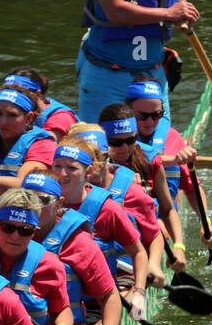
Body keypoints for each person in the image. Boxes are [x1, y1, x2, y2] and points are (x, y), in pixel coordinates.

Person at [51, 137, 150, 322]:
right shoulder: (42, 204)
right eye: (57, 166)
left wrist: (139, 293)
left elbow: (138, 252)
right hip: (53, 305)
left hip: (97, 302)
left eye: (71, 168)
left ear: (88, 171)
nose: (62, 174)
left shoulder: (108, 209)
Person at [30, 181, 125, 325]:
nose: (35, 206)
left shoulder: (79, 242)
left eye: (43, 200)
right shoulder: (4, 236)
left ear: (58, 204)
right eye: (28, 199)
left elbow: (109, 295)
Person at [70, 122, 168, 289]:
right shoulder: (64, 192)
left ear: (108, 157)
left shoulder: (132, 191)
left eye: (100, 157)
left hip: (122, 277)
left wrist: (154, 264)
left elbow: (153, 234)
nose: (95, 166)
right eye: (86, 160)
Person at [126, 80, 212, 250]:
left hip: (164, 219)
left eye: (156, 115)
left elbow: (192, 188)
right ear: (129, 111)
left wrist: (206, 221)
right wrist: (175, 159)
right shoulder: (117, 140)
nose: (149, 122)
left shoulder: (172, 138)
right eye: (142, 116)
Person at [100, 105, 188, 274]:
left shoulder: (150, 160)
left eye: (131, 140)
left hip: (143, 236)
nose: (125, 148)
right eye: (116, 143)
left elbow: (168, 209)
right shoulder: (92, 164)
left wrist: (178, 246)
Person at [0, 187, 76, 325]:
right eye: (7, 227)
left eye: (25, 230)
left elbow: (61, 309)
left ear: (35, 231)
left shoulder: (50, 265)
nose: (15, 236)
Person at [0, 86, 57, 217]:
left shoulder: (43, 147)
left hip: (24, 222)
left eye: (12, 115)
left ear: (29, 118)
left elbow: (23, 187)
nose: (3, 122)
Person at [2, 68, 77, 138]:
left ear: (38, 95)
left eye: (20, 94)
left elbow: (47, 147)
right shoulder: (11, 114)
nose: (12, 99)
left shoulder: (60, 118)